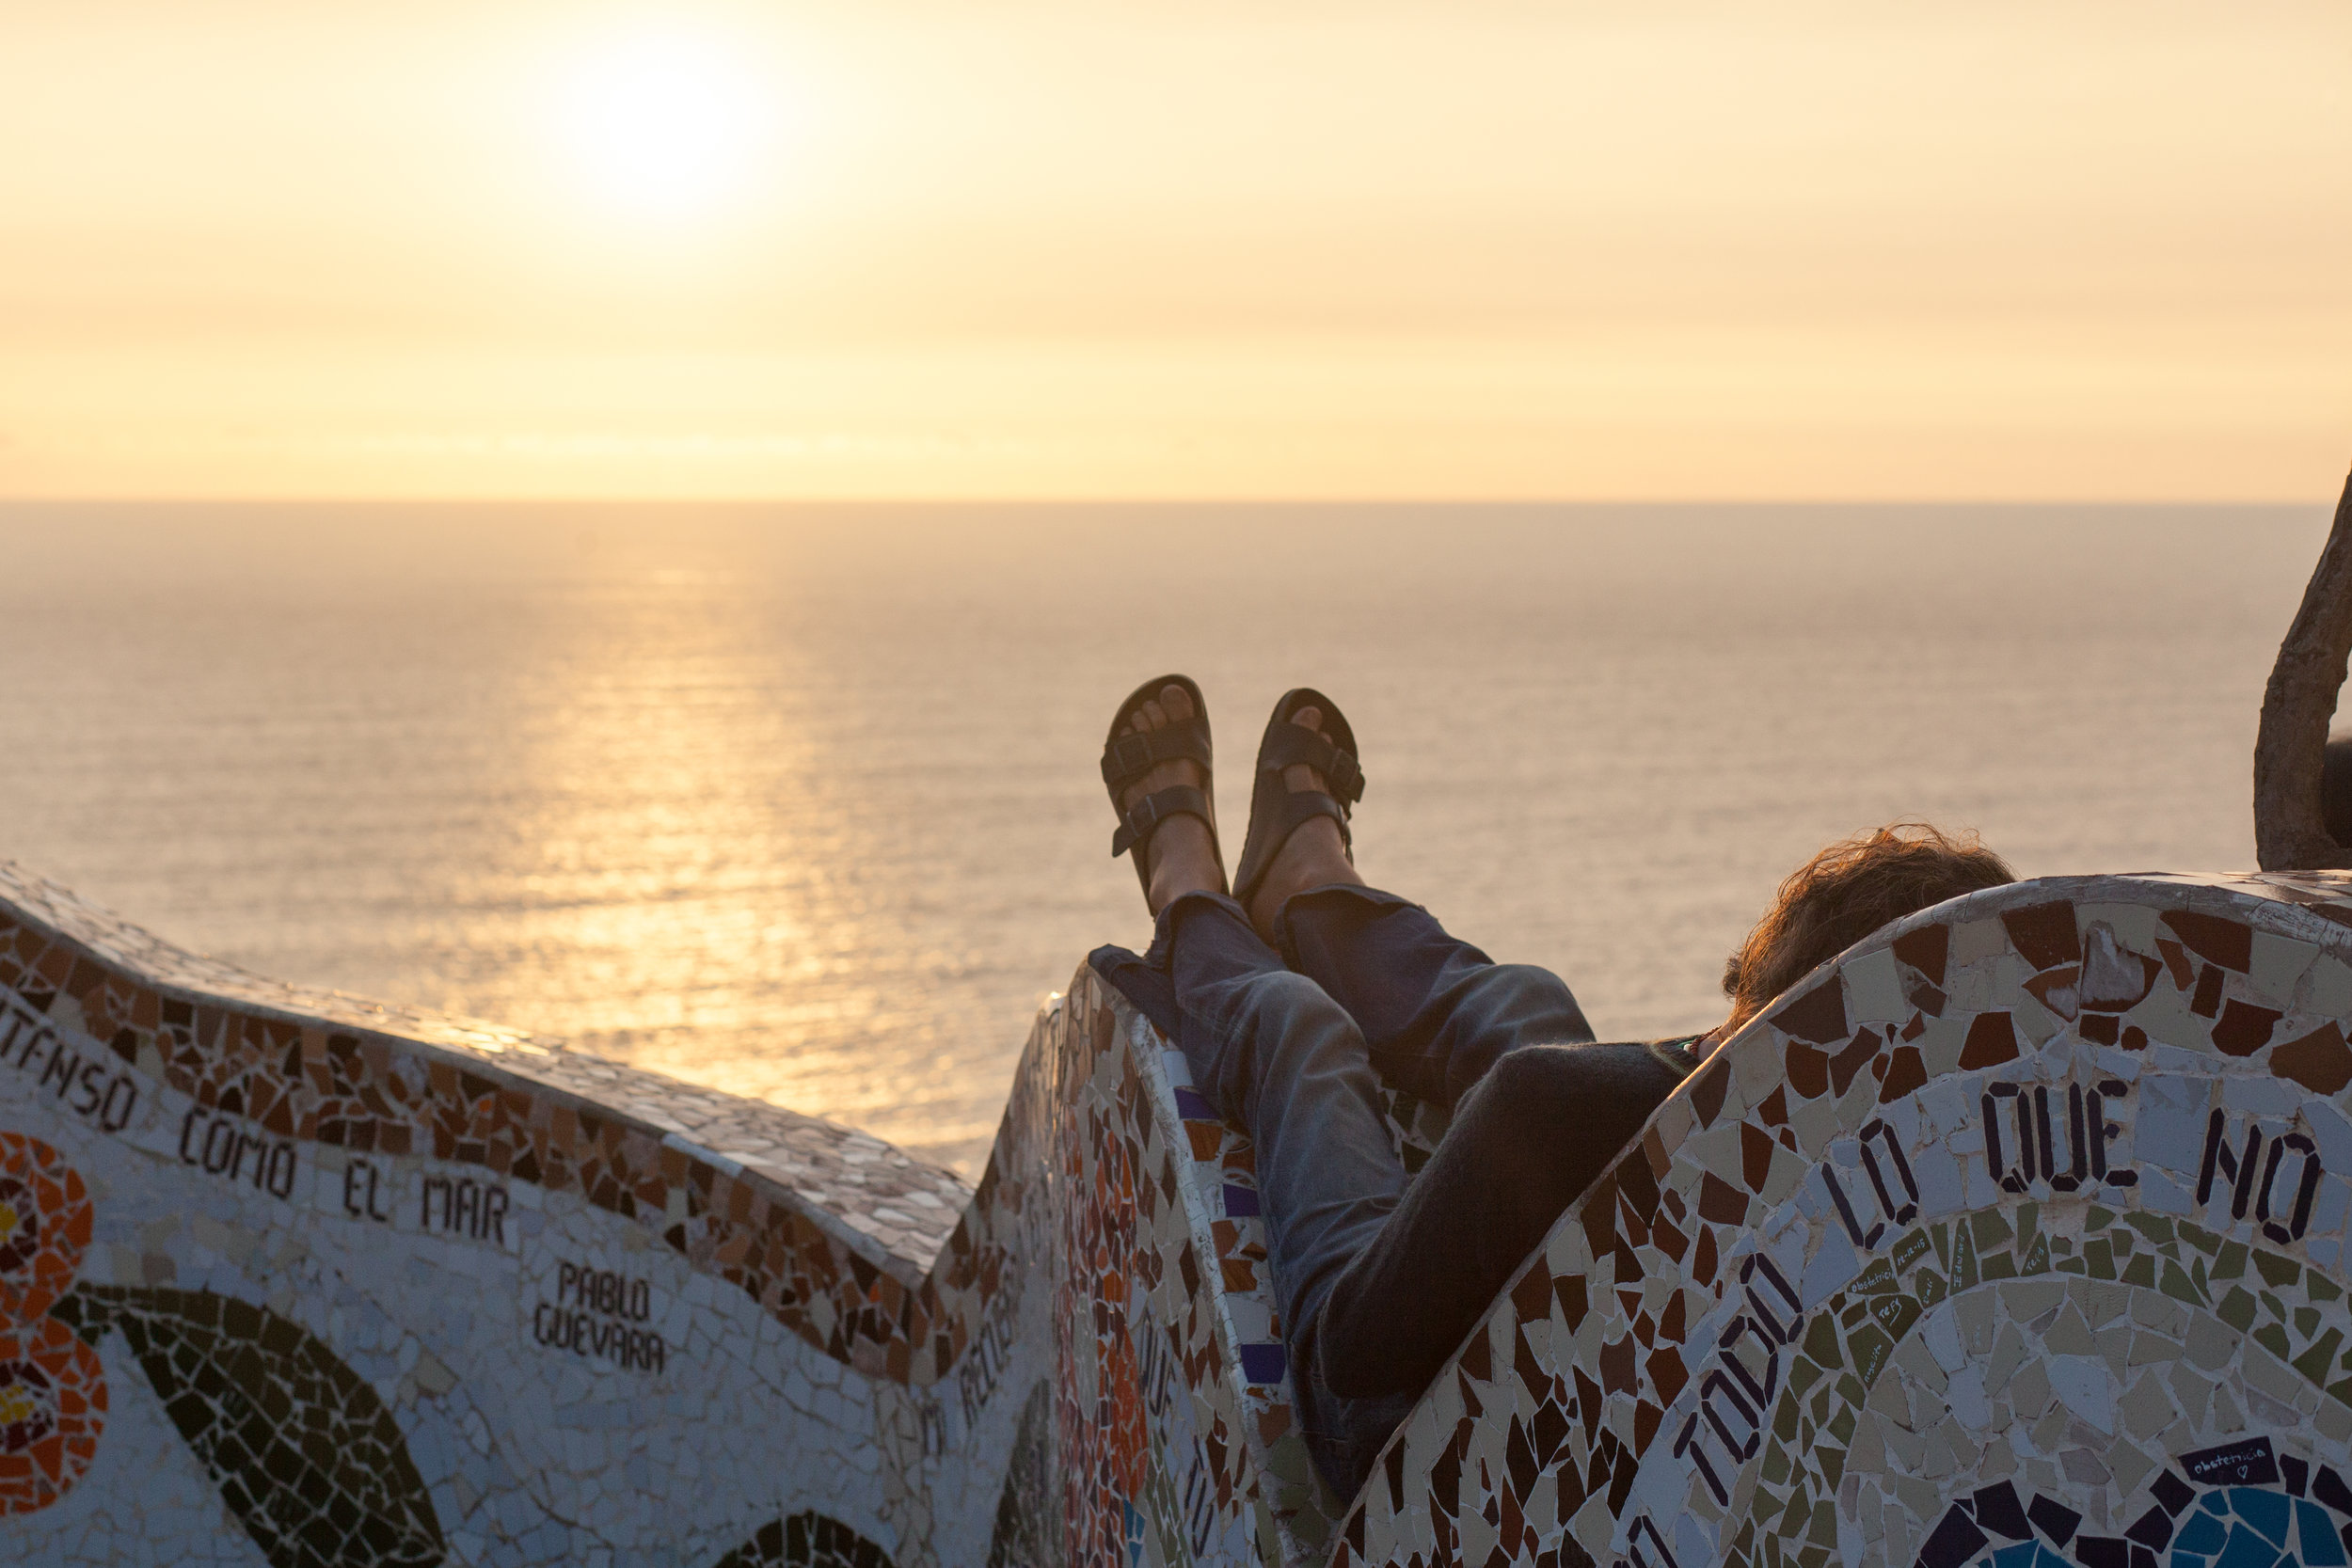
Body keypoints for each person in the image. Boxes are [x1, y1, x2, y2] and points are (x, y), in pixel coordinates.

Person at [1088, 676, 2016, 1502]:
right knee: (1526, 997)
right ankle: (1312, 891)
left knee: (1302, 1029)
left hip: (1409, 1443)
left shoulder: (1552, 1105)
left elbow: (1356, 1350)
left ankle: (1188, 894)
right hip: (1599, 1367)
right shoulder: (1925, 1175)